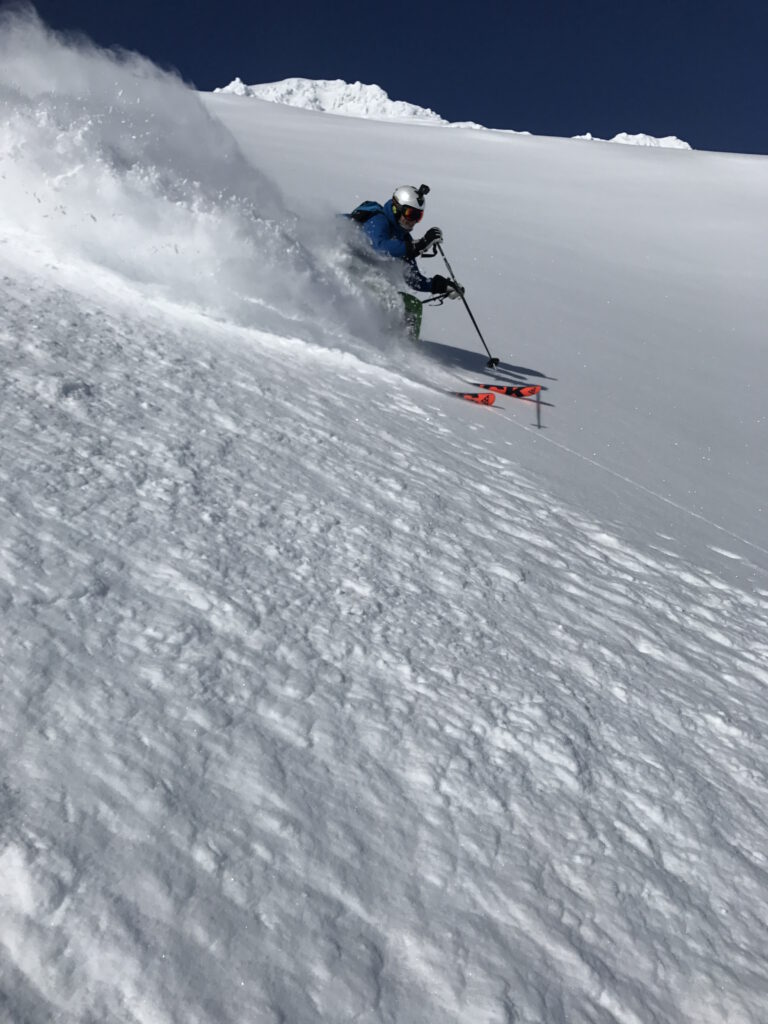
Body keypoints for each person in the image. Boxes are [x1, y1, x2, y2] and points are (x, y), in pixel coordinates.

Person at [347, 184, 464, 338]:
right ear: (396, 208)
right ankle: (365, 336)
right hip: (342, 268)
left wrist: (442, 286)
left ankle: (401, 348)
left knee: (411, 305)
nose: (413, 221)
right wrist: (419, 245)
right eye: (410, 214)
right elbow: (379, 247)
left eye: (418, 216)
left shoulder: (403, 240)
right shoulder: (378, 220)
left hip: (360, 277)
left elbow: (413, 279)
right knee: (383, 295)